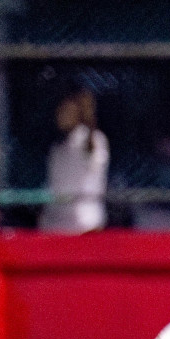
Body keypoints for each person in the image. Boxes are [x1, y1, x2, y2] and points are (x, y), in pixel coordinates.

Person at [39, 90, 109, 234]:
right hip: (55, 226)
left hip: (85, 227)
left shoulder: (94, 140)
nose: (60, 116)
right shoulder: (57, 148)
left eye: (66, 111)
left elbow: (94, 165)